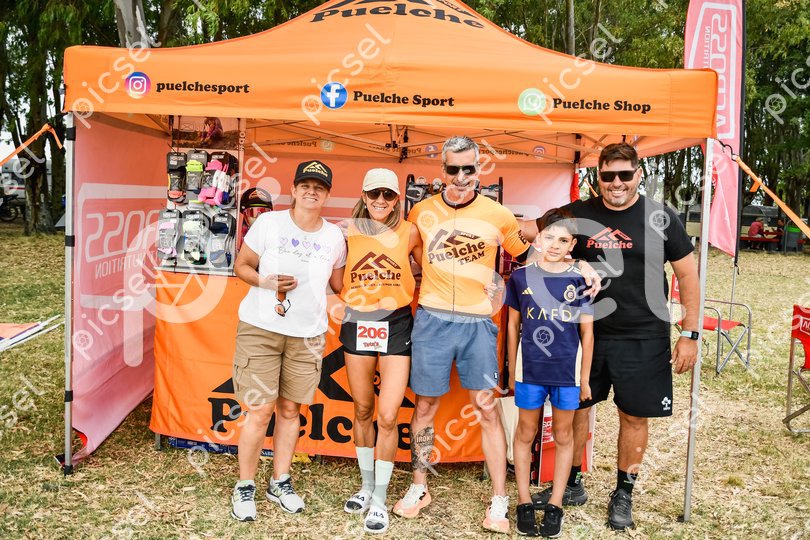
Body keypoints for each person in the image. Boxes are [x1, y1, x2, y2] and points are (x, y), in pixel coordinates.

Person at [530, 142, 700, 531]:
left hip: (643, 335)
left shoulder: (661, 217)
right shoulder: (578, 214)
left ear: (639, 175)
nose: (617, 183)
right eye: (609, 175)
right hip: (584, 333)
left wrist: (689, 332)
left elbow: (688, 275)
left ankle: (624, 492)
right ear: (598, 177)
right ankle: (571, 483)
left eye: (625, 174)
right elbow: (536, 235)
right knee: (576, 408)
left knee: (634, 415)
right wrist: (574, 260)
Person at [391, 135, 531, 534]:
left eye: (469, 168)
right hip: (432, 320)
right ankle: (419, 486)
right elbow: (407, 254)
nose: (461, 177)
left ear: (479, 169)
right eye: (453, 169)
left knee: (486, 408)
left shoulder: (499, 214)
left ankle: (499, 498)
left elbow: (528, 258)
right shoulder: (421, 211)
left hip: (477, 325)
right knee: (424, 407)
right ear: (442, 170)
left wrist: (577, 264)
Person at [229, 160, 347, 522]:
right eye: (305, 185)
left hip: (308, 336)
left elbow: (340, 285)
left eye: (319, 187)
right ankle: (245, 485)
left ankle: (279, 481)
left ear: (327, 195)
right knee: (260, 410)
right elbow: (241, 265)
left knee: (291, 410)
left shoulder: (334, 237)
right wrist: (265, 282)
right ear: (294, 190)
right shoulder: (268, 223)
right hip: (260, 330)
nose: (312, 191)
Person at [339, 168, 422, 535]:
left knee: (388, 416)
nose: (380, 201)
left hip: (397, 323)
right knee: (362, 409)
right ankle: (366, 485)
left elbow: (431, 269)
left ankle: (380, 498)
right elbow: (334, 276)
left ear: (397, 199)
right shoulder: (347, 231)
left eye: (388, 195)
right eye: (374, 194)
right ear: (364, 195)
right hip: (358, 320)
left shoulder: (410, 231)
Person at [506, 208, 593, 537]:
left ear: (572, 245)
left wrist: (584, 378)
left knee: (563, 434)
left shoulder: (580, 280)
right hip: (529, 370)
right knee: (525, 433)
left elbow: (588, 332)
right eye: (549, 237)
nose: (555, 244)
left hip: (566, 372)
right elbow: (512, 326)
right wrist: (510, 368)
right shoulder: (520, 277)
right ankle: (524, 501)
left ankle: (556, 503)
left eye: (563, 240)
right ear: (538, 238)